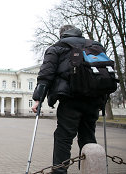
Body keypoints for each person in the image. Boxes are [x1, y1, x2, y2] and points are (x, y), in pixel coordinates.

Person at [31, 25, 106, 174]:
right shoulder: (95, 46)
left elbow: (46, 74)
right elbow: (103, 73)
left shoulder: (57, 47)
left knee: (63, 137)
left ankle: (59, 172)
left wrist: (38, 99)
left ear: (62, 35)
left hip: (70, 98)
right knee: (88, 136)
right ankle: (91, 170)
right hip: (93, 100)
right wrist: (102, 101)